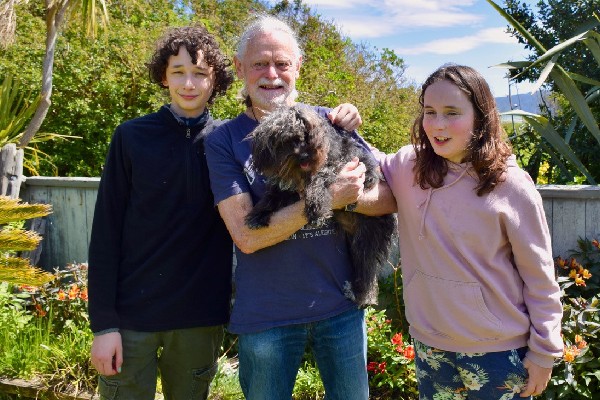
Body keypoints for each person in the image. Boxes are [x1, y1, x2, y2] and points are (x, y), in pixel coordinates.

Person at [204, 14, 394, 400]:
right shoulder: (223, 140)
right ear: (240, 68)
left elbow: (389, 199)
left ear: (298, 67)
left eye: (282, 63)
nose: (271, 74)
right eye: (259, 63)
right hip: (267, 319)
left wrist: (350, 197)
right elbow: (247, 236)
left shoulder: (333, 120)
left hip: (340, 309)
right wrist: (327, 200)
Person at [377, 64, 563, 399]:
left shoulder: (511, 186)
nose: (438, 124)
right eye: (429, 112)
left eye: (452, 113)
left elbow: (540, 276)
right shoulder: (407, 166)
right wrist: (340, 121)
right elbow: (363, 161)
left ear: (481, 117)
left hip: (498, 353)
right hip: (430, 346)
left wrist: (544, 351)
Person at [87, 26, 236, 400]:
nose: (189, 83)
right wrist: (104, 326)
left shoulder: (229, 141)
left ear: (215, 79)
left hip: (199, 321)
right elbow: (105, 234)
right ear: (163, 75)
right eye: (178, 71)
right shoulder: (131, 137)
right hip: (131, 319)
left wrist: (337, 118)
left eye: (200, 73)